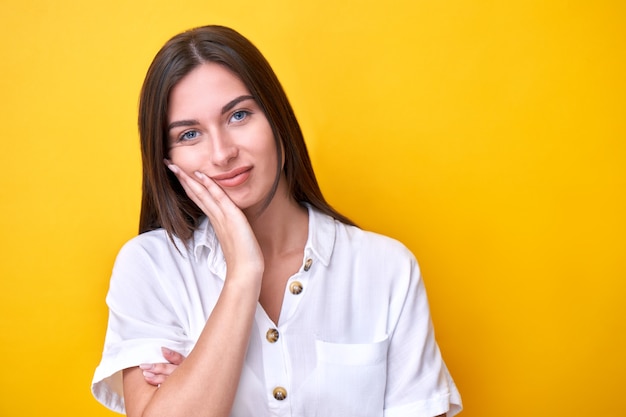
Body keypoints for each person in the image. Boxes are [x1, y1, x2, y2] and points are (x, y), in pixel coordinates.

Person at [92, 24, 462, 417]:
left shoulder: (386, 269)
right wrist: (243, 275)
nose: (222, 153)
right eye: (189, 135)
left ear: (277, 118)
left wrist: (196, 385)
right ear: (166, 160)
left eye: (238, 115)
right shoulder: (150, 267)